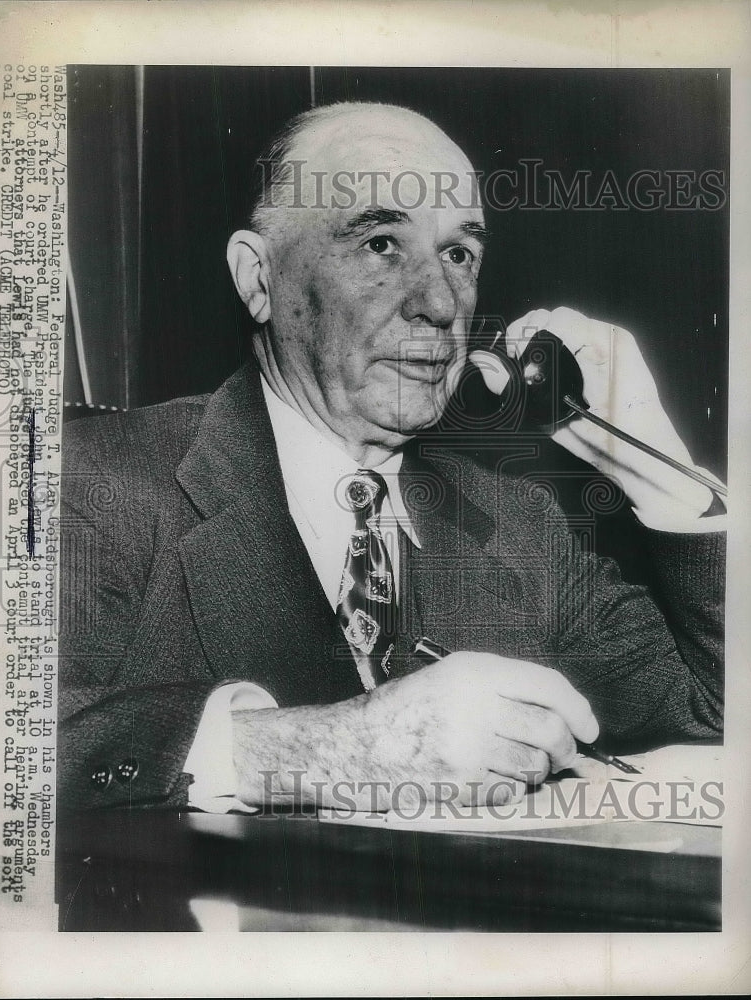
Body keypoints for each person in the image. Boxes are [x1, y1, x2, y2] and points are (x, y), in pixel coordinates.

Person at [58, 102, 725, 814]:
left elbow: (715, 709)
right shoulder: (95, 484)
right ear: (259, 279)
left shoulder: (515, 526)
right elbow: (11, 750)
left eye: (459, 254)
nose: (440, 304)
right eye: (381, 243)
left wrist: (651, 459)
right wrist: (327, 749)